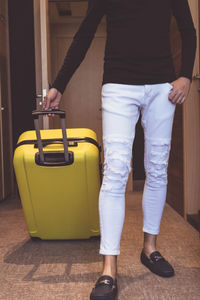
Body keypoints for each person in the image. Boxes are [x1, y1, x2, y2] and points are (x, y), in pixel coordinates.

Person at [42, 1, 197, 299]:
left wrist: (185, 76)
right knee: (115, 171)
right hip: (118, 85)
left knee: (157, 168)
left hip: (162, 87)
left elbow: (189, 31)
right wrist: (59, 84)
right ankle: (108, 268)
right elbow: (84, 34)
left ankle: (150, 248)